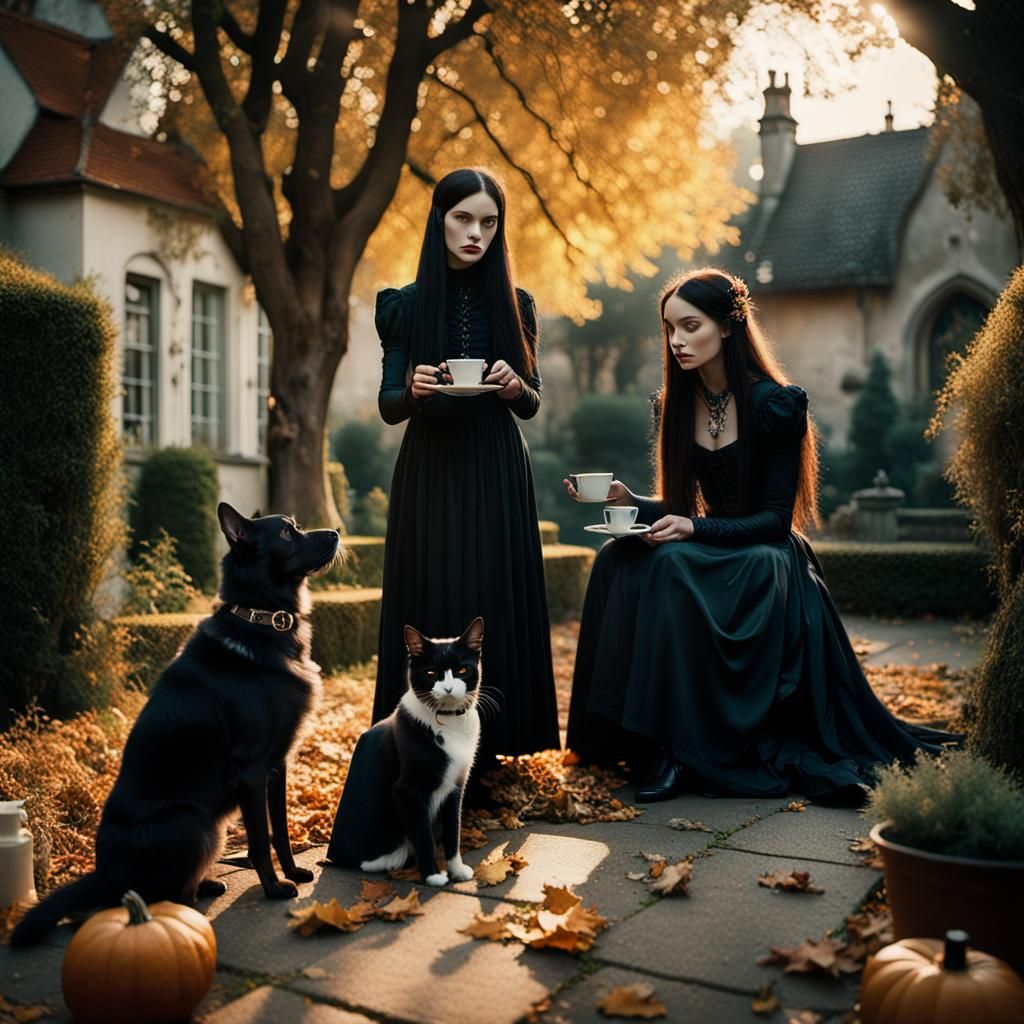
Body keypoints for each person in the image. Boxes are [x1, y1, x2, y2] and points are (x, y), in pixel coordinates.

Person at [565, 267, 960, 806]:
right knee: (617, 557)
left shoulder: (775, 404)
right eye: (669, 329)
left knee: (671, 565)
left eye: (690, 326)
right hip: (716, 544)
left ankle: (679, 749)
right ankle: (626, 737)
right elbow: (683, 509)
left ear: (727, 327)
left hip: (767, 558)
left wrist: (693, 527)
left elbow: (774, 521)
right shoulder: (674, 406)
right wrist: (630, 501)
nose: (677, 340)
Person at [370, 167, 559, 794]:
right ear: (439, 219)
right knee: (432, 588)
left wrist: (514, 385)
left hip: (497, 465)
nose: (475, 232)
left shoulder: (518, 304)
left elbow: (532, 404)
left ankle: (496, 752)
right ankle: (422, 743)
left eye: (488, 222)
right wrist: (415, 390)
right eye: (462, 218)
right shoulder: (403, 305)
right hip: (431, 467)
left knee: (491, 589)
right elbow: (389, 402)